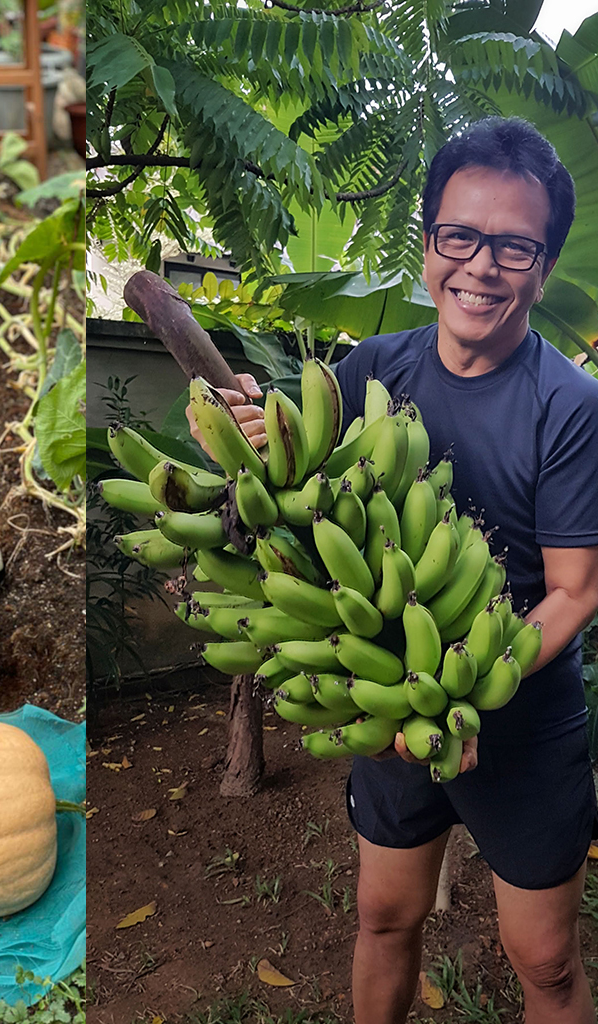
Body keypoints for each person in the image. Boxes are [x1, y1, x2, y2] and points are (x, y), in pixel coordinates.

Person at [190, 117, 598, 1022]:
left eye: (513, 246)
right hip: (383, 684)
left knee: (545, 960)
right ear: (428, 246)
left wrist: (460, 690)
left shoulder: (570, 406)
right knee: (381, 915)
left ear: (543, 264)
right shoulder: (371, 371)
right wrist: (256, 440)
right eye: (460, 236)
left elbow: (576, 590)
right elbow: (305, 513)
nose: (481, 266)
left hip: (520, 710)